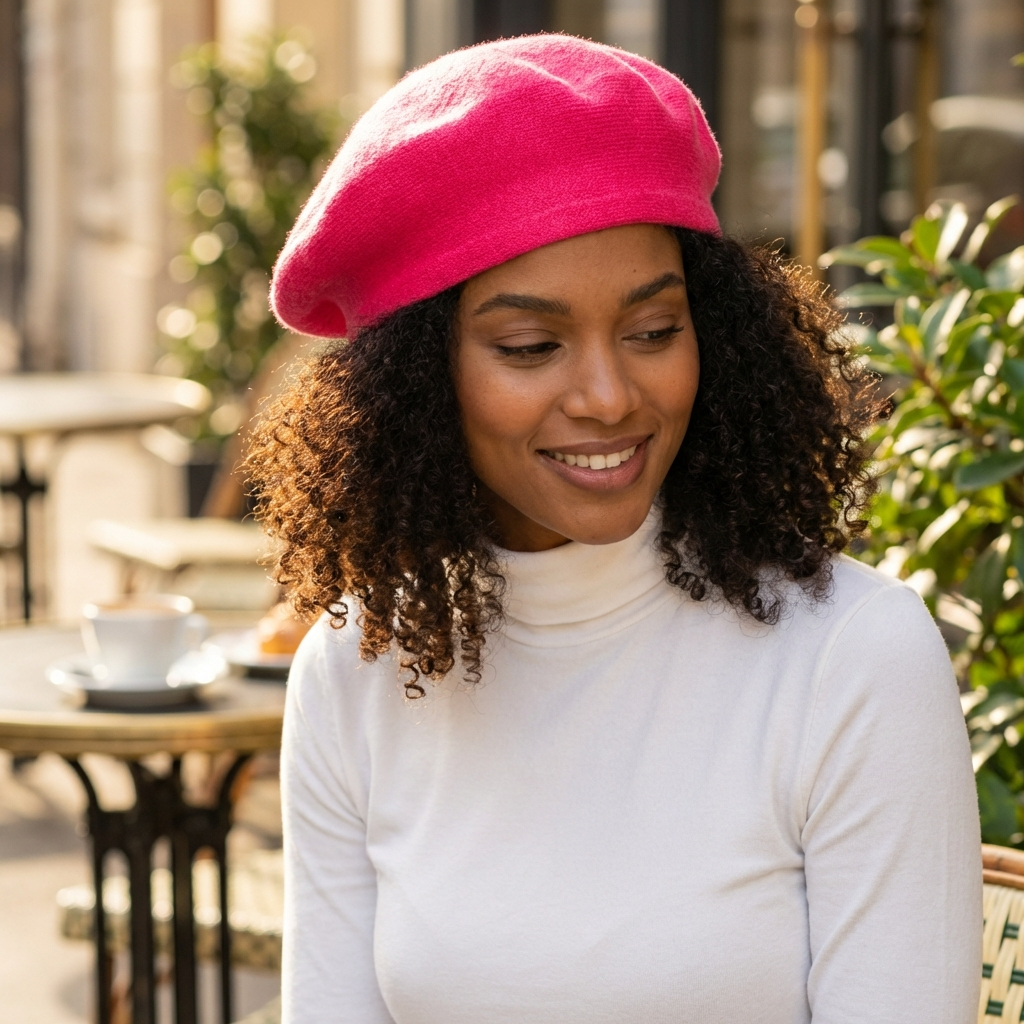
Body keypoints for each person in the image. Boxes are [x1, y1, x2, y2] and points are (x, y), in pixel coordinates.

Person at [247, 34, 981, 1024]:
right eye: (531, 345)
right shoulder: (353, 668)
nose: (607, 395)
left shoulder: (851, 657)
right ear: (419, 383)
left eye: (651, 332)